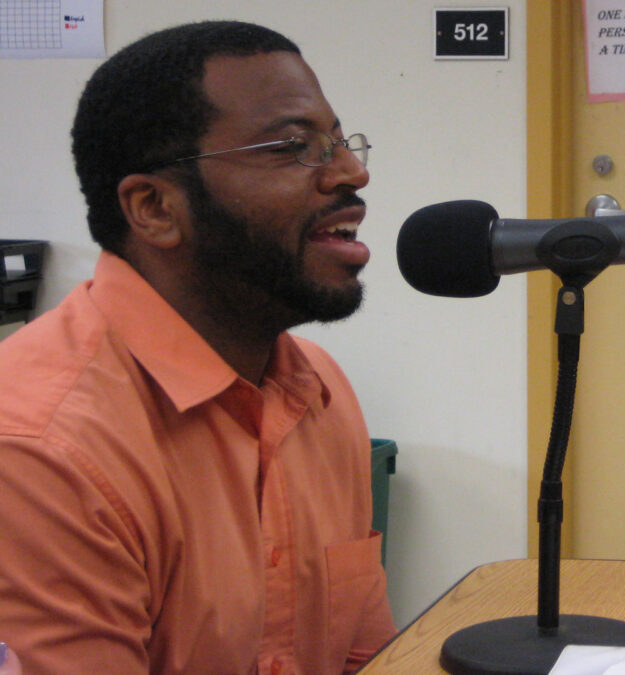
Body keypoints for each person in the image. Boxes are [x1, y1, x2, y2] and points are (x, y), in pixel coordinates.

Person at [0, 21, 396, 674]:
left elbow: (370, 659)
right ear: (154, 207)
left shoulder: (318, 391)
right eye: (295, 147)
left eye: (340, 142)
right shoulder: (40, 451)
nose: (353, 172)